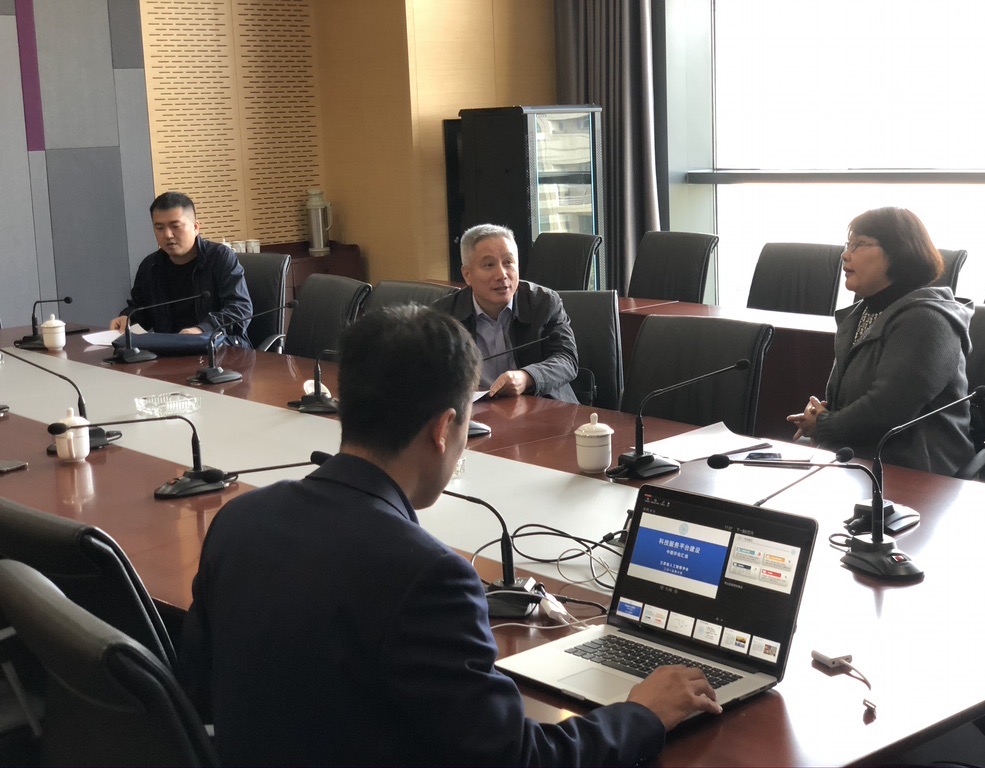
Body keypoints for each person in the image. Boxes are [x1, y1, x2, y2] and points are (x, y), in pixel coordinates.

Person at [177, 305, 721, 766]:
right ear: (444, 429)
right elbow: (518, 759)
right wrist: (642, 714)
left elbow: (197, 692)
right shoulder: (427, 576)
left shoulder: (239, 520)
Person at [787, 207, 974, 475]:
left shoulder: (927, 319)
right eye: (848, 245)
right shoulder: (860, 314)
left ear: (900, 252)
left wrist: (825, 424)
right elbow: (855, 396)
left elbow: (887, 410)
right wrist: (819, 414)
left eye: (860, 244)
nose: (845, 254)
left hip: (916, 471)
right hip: (861, 459)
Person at [435, 223, 580, 402]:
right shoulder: (444, 315)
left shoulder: (544, 302)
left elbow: (567, 359)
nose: (502, 274)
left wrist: (527, 377)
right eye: (489, 265)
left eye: (508, 262)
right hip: (475, 410)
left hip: (542, 404)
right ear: (467, 275)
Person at [110, 192, 253, 346]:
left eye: (175, 226)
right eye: (159, 228)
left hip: (219, 348)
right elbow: (140, 309)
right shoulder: (150, 266)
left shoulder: (220, 257)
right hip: (170, 350)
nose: (167, 235)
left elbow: (240, 309)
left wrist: (203, 329)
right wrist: (127, 318)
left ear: (196, 227)